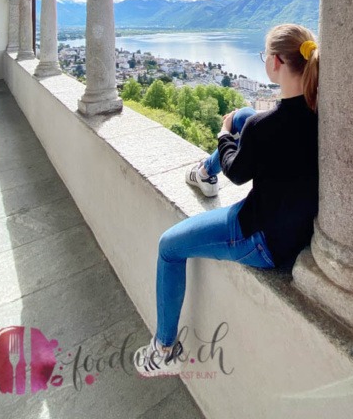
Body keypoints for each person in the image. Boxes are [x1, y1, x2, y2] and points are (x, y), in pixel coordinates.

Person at [133, 24, 319, 378]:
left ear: (277, 62)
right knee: (245, 115)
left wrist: (223, 133)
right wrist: (242, 123)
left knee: (168, 247)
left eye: (265, 56)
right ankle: (205, 173)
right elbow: (262, 132)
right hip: (296, 227)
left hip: (260, 238)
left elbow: (236, 172)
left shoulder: (264, 128)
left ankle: (164, 349)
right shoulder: (318, 112)